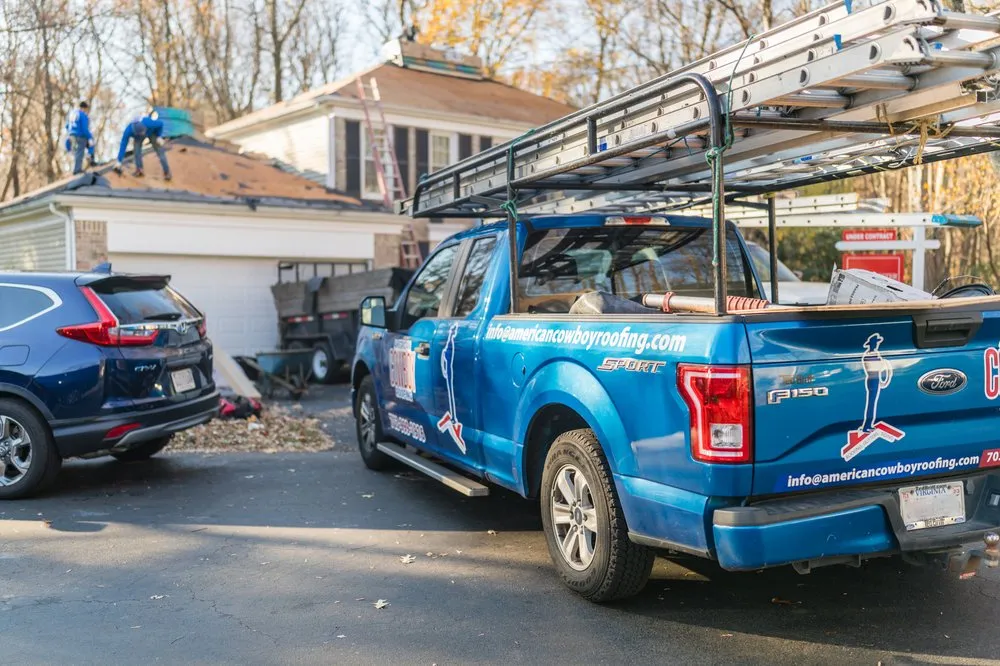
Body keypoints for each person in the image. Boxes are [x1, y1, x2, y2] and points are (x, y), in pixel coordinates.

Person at [113, 110, 171, 180]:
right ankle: (139, 170)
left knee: (160, 151)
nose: (143, 134)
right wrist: (119, 161)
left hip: (152, 132)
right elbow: (123, 145)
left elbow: (160, 124)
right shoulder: (128, 131)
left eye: (143, 132)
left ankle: (167, 172)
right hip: (138, 137)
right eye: (141, 133)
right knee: (137, 150)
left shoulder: (148, 123)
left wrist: (159, 136)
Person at [65, 101, 94, 175]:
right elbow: (84, 128)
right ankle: (77, 169)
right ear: (84, 108)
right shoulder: (82, 115)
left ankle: (88, 159)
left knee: (76, 152)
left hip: (71, 135)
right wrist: (90, 137)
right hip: (80, 135)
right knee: (80, 152)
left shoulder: (71, 114)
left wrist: (70, 133)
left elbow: (67, 126)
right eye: (86, 110)